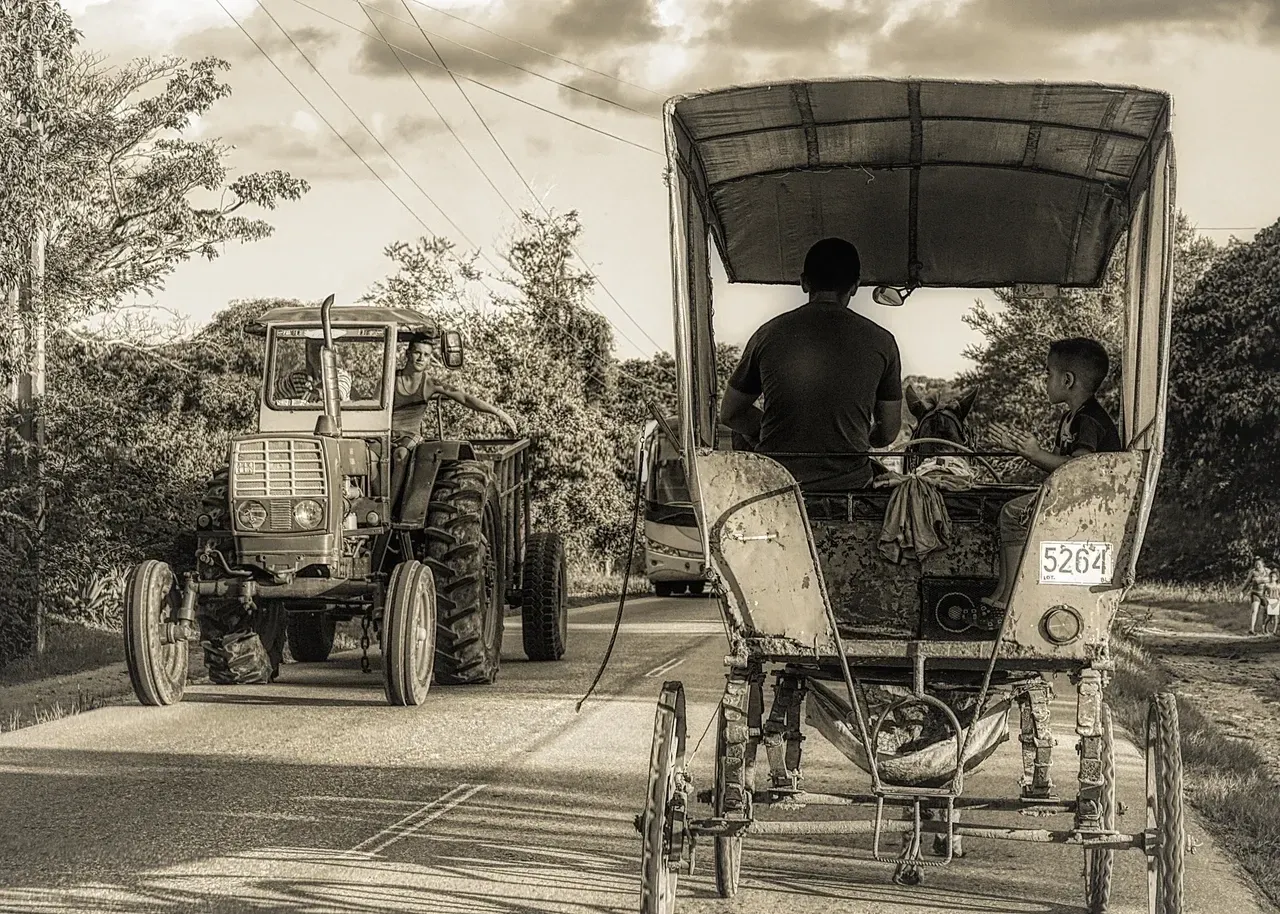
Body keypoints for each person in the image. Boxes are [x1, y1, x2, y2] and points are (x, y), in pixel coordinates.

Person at [719, 237, 903, 491]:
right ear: (855, 286)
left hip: (779, 484)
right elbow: (888, 432)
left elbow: (730, 413)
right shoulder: (883, 342)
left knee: (739, 435)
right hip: (849, 484)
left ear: (804, 282)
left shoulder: (768, 334)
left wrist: (778, 434)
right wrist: (854, 438)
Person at [981, 338, 1123, 614]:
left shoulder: (1089, 420)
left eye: (1048, 374)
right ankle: (1005, 588)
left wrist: (1034, 453)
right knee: (1007, 508)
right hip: (1072, 497)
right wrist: (1025, 451)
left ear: (1067, 380)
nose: (1045, 380)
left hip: (1089, 503)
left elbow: (1079, 472)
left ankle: (1012, 594)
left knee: (1012, 514)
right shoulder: (1070, 418)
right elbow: (1057, 466)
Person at [392, 334, 517, 443]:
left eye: (426, 355)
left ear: (429, 359)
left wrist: (499, 412)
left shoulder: (430, 383)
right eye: (417, 353)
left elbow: (464, 398)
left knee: (400, 454)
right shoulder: (391, 379)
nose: (421, 358)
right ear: (408, 354)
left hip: (410, 439)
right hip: (385, 436)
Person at [1241, 557, 1271, 636]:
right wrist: (1242, 591)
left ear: (1263, 564)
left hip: (1265, 594)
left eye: (1259, 564)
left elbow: (1274, 580)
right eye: (1256, 564)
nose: (1257, 566)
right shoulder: (1252, 572)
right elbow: (1247, 582)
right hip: (1255, 593)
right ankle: (1252, 629)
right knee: (1255, 610)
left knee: (1267, 610)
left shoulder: (1268, 571)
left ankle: (1264, 629)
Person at [1264, 571, 1280, 636]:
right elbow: (1264, 593)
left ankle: (1274, 631)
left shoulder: (1278, 585)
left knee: (1276, 616)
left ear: (1276, 578)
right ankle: (1265, 627)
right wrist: (1267, 599)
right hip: (1270, 601)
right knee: (1269, 617)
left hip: (1276, 601)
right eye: (1271, 576)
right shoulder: (1267, 585)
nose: (1272, 578)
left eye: (1273, 577)